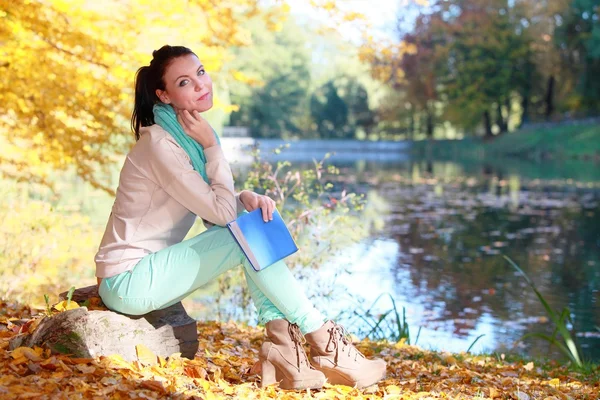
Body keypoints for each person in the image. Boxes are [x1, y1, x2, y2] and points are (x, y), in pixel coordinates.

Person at [95, 44, 386, 390]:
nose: (202, 84)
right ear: (165, 95)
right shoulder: (162, 145)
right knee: (245, 237)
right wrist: (213, 148)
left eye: (201, 72)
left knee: (253, 229)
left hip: (149, 271)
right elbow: (220, 216)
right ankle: (324, 343)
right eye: (185, 82)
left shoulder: (180, 139)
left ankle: (287, 354)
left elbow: (214, 211)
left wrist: (242, 197)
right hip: (128, 281)